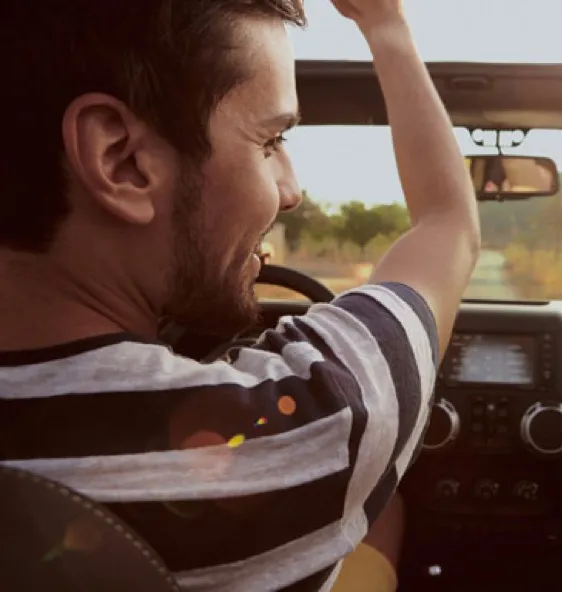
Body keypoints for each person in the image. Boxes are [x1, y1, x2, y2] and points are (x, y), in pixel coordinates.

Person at [0, 1, 480, 591]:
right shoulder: (304, 431)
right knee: (384, 513)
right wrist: (387, 27)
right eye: (270, 140)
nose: (291, 189)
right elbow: (447, 227)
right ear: (121, 160)